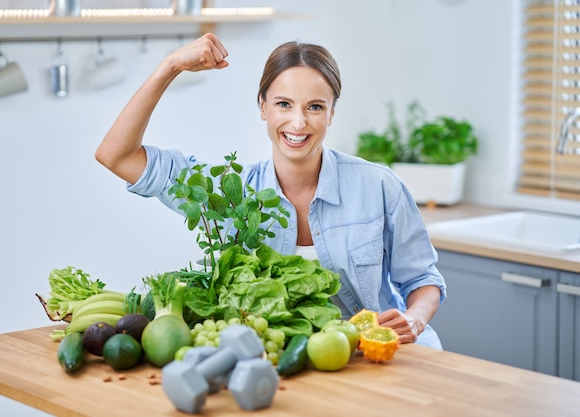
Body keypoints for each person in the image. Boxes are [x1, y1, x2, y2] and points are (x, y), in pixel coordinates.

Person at [96, 33, 447, 349]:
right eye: (284, 104)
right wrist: (169, 66)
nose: (298, 122)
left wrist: (414, 319)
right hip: (290, 367)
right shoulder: (224, 196)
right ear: (262, 107)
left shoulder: (379, 186)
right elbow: (115, 155)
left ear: (331, 114)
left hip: (381, 355)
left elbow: (423, 279)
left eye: (315, 107)